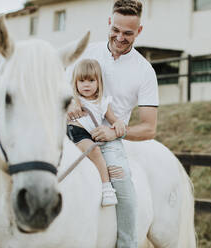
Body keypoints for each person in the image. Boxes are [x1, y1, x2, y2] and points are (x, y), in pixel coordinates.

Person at [67, 0, 158, 247]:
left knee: (125, 187)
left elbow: (150, 128)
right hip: (72, 130)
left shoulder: (144, 70)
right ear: (109, 23)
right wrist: (69, 103)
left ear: (139, 31)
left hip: (110, 142)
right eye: (115, 30)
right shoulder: (86, 52)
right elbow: (61, 86)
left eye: (128, 33)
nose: (120, 37)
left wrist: (116, 131)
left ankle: (127, 243)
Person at [67, 59, 126, 207]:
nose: (86, 84)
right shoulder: (75, 99)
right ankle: (107, 188)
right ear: (75, 83)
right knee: (94, 151)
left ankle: (105, 187)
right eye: (82, 80)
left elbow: (113, 119)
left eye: (91, 80)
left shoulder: (103, 102)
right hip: (75, 131)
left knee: (97, 153)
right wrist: (72, 102)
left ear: (99, 82)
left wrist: (118, 123)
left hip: (91, 135)